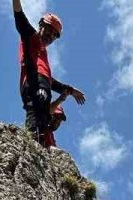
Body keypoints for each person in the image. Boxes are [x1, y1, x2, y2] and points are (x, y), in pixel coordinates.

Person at [12, 2, 85, 147]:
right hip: (34, 82)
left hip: (42, 84)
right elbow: (20, 18)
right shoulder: (31, 38)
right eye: (49, 30)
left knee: (43, 117)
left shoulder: (43, 55)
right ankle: (32, 146)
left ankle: (37, 147)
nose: (50, 36)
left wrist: (70, 90)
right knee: (37, 112)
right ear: (41, 25)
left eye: (54, 35)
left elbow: (51, 82)